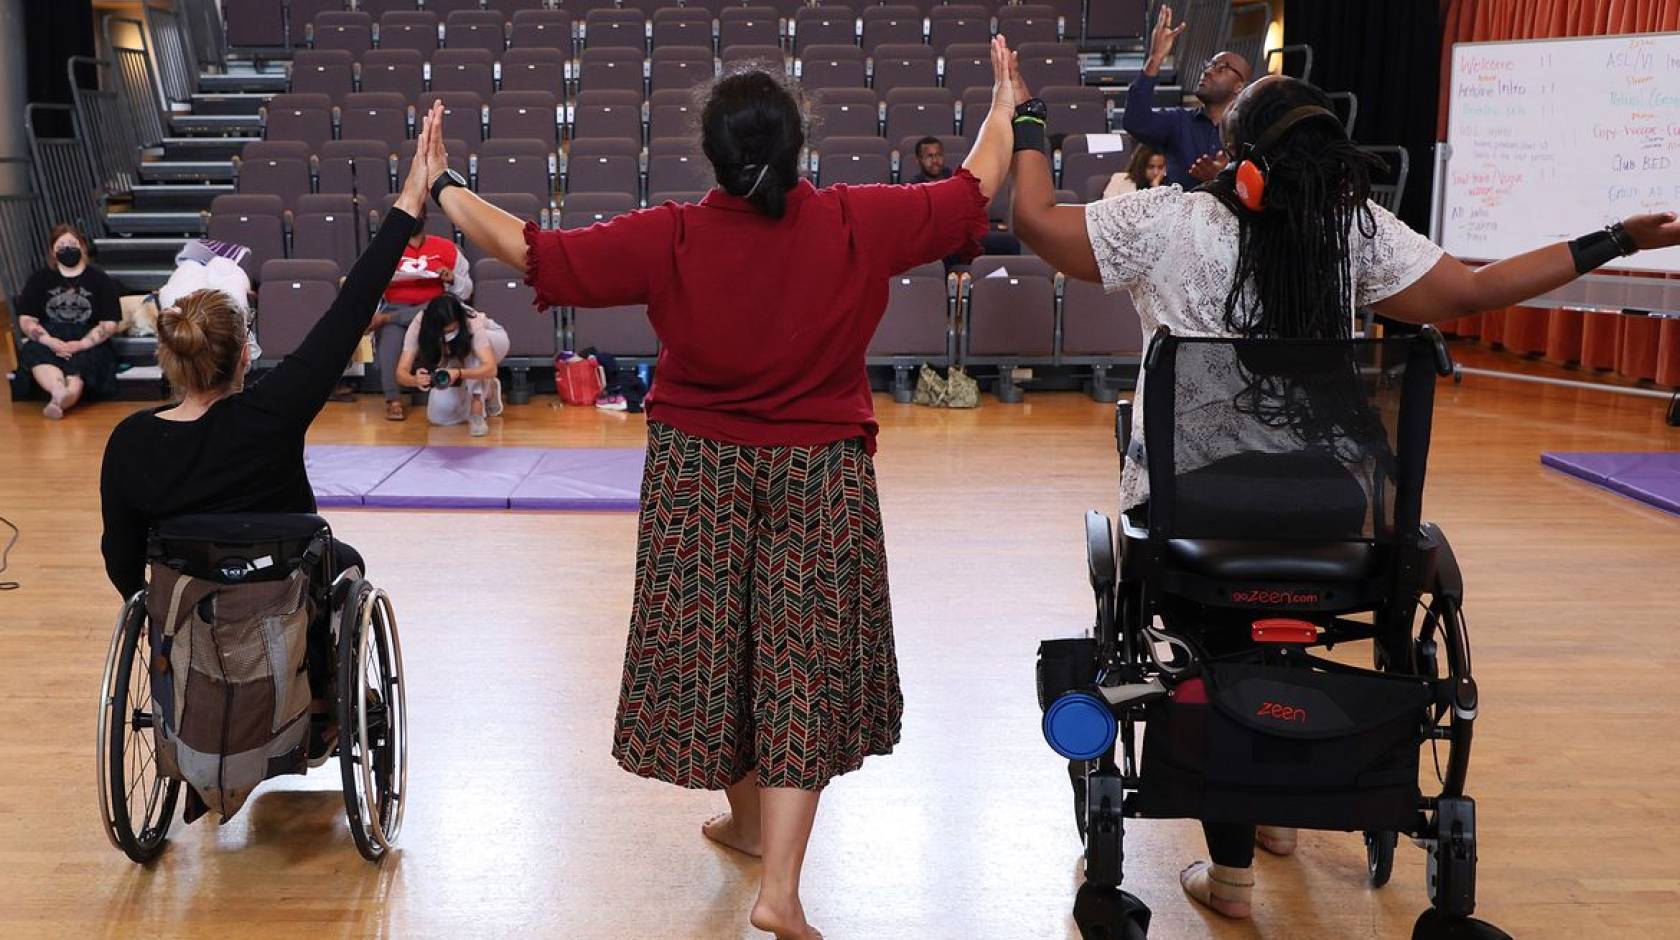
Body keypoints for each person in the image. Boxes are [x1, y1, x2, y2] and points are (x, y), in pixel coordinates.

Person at [1002, 51, 1680, 920]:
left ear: (1240, 153)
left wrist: (1024, 117)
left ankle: (1235, 875)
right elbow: (1474, 291)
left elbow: (1032, 216)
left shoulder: (1159, 222)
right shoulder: (1351, 229)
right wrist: (1617, 236)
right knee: (1280, 638)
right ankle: (1284, 807)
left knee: (1215, 644)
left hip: (1195, 516)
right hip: (1338, 516)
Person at [421, 38, 1016, 940]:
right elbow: (977, 183)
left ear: (712, 155)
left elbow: (537, 253)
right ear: (799, 147)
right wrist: (1005, 103)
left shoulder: (675, 235)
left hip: (699, 470)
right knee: (797, 664)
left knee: (720, 653)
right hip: (820, 470)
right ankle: (771, 873)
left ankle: (753, 838)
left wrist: (444, 186)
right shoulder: (857, 221)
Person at [100, 113, 433, 603]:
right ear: (243, 356)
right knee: (348, 562)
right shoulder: (273, 411)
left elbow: (122, 565)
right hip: (280, 605)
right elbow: (352, 306)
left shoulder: (130, 441)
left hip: (188, 616)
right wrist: (409, 199)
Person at [1121, 4, 1251, 189]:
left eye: (1221, 67)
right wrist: (1155, 58)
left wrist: (1222, 180)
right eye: (1209, 65)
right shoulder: (1179, 121)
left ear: (1240, 87)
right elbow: (1135, 121)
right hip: (1181, 216)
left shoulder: (1249, 131)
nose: (1208, 71)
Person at [370, 205, 472, 421]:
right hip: (396, 307)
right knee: (389, 338)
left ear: (424, 217)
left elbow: (467, 290)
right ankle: (393, 400)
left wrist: (451, 278)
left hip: (432, 310)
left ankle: (388, 320)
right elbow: (368, 286)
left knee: (424, 312)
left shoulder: (446, 247)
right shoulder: (386, 249)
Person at [15, 224, 122, 419]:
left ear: (82, 246)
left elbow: (110, 323)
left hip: (88, 339)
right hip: (49, 337)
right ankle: (57, 390)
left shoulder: (100, 279)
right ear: (52, 251)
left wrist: (81, 344)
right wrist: (49, 341)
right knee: (35, 352)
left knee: (81, 364)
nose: (67, 248)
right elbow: (26, 319)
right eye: (61, 245)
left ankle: (64, 399)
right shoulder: (39, 279)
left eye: (72, 243)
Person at [395, 293, 508, 435]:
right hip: (456, 354)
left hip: (494, 341)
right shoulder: (419, 323)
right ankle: (489, 389)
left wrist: (459, 373)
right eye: (444, 332)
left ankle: (477, 408)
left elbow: (491, 368)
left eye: (452, 329)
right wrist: (414, 380)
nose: (448, 334)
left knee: (474, 351)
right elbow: (401, 372)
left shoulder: (471, 321)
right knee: (437, 417)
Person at [1103, 144, 1168, 199]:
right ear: (1141, 166)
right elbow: (1106, 208)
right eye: (1150, 167)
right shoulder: (1120, 180)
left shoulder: (1167, 187)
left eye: (1160, 167)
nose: (1156, 172)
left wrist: (1155, 187)